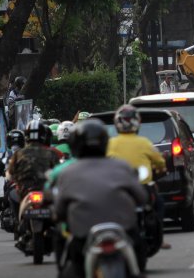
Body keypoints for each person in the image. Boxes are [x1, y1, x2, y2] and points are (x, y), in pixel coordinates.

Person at [54, 119, 148, 276]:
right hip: (124, 229)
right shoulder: (121, 166)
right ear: (105, 143)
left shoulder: (67, 172)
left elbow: (59, 209)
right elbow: (141, 197)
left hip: (83, 234)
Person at [106, 105, 170, 249]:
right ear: (137, 123)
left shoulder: (110, 144)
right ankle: (159, 238)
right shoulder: (144, 142)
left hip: (116, 189)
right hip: (142, 188)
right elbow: (160, 162)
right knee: (158, 204)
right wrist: (161, 169)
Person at [7, 120, 59, 250]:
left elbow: (10, 173)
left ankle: (18, 223)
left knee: (12, 195)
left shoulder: (19, 154)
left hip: (25, 192)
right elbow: (59, 172)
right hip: (47, 192)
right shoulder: (51, 153)